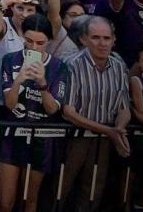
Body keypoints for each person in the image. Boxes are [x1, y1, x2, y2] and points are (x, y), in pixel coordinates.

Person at [59, 16, 131, 212]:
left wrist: (118, 129)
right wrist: (110, 131)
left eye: (107, 38)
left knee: (93, 191)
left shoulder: (119, 67)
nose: (102, 43)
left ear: (113, 40)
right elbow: (68, 112)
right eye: (96, 37)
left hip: (105, 139)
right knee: (60, 188)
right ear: (84, 39)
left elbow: (124, 107)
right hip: (75, 137)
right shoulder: (71, 64)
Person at [0, 15, 65, 212]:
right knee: (5, 202)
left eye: (40, 42)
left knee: (29, 200)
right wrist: (19, 81)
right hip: (12, 136)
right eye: (29, 41)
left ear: (49, 41)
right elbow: (9, 104)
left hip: (41, 139)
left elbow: (52, 109)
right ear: (22, 36)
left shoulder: (59, 67)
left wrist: (43, 84)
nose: (34, 47)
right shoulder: (11, 60)